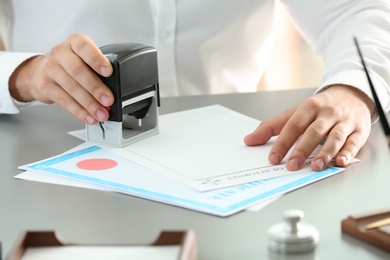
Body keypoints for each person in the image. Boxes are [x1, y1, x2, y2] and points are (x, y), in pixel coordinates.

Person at [1, 0, 389, 172]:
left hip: (239, 156)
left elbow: (357, 10)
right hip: (46, 152)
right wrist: (22, 75)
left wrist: (351, 89)